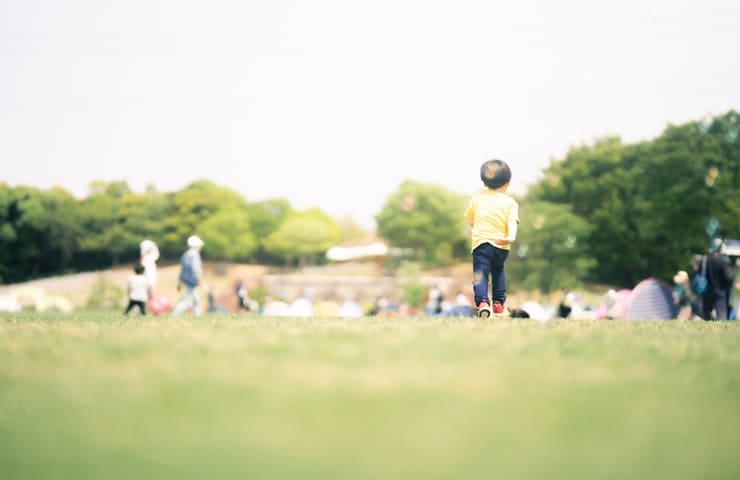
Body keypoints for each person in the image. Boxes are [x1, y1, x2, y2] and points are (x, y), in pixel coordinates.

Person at [464, 159, 519, 317]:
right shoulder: (511, 203)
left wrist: (476, 226)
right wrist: (510, 236)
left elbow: (470, 219)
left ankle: (482, 303)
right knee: (499, 271)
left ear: (484, 181)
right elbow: (512, 221)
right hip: (502, 246)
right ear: (508, 183)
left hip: (481, 244)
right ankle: (499, 303)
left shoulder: (477, 198)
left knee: (480, 274)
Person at [172, 235, 206, 316]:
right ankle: (174, 315)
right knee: (188, 301)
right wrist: (199, 280)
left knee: (195, 300)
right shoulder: (195, 254)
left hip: (185, 280)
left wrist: (179, 282)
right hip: (191, 280)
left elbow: (182, 270)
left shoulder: (185, 254)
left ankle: (197, 316)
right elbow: (196, 269)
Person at [701, 239, 734, 320]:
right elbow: (727, 277)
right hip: (720, 289)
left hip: (707, 289)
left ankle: (706, 325)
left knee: (706, 311)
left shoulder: (706, 259)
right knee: (721, 311)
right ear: (720, 247)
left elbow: (701, 273)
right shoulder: (724, 260)